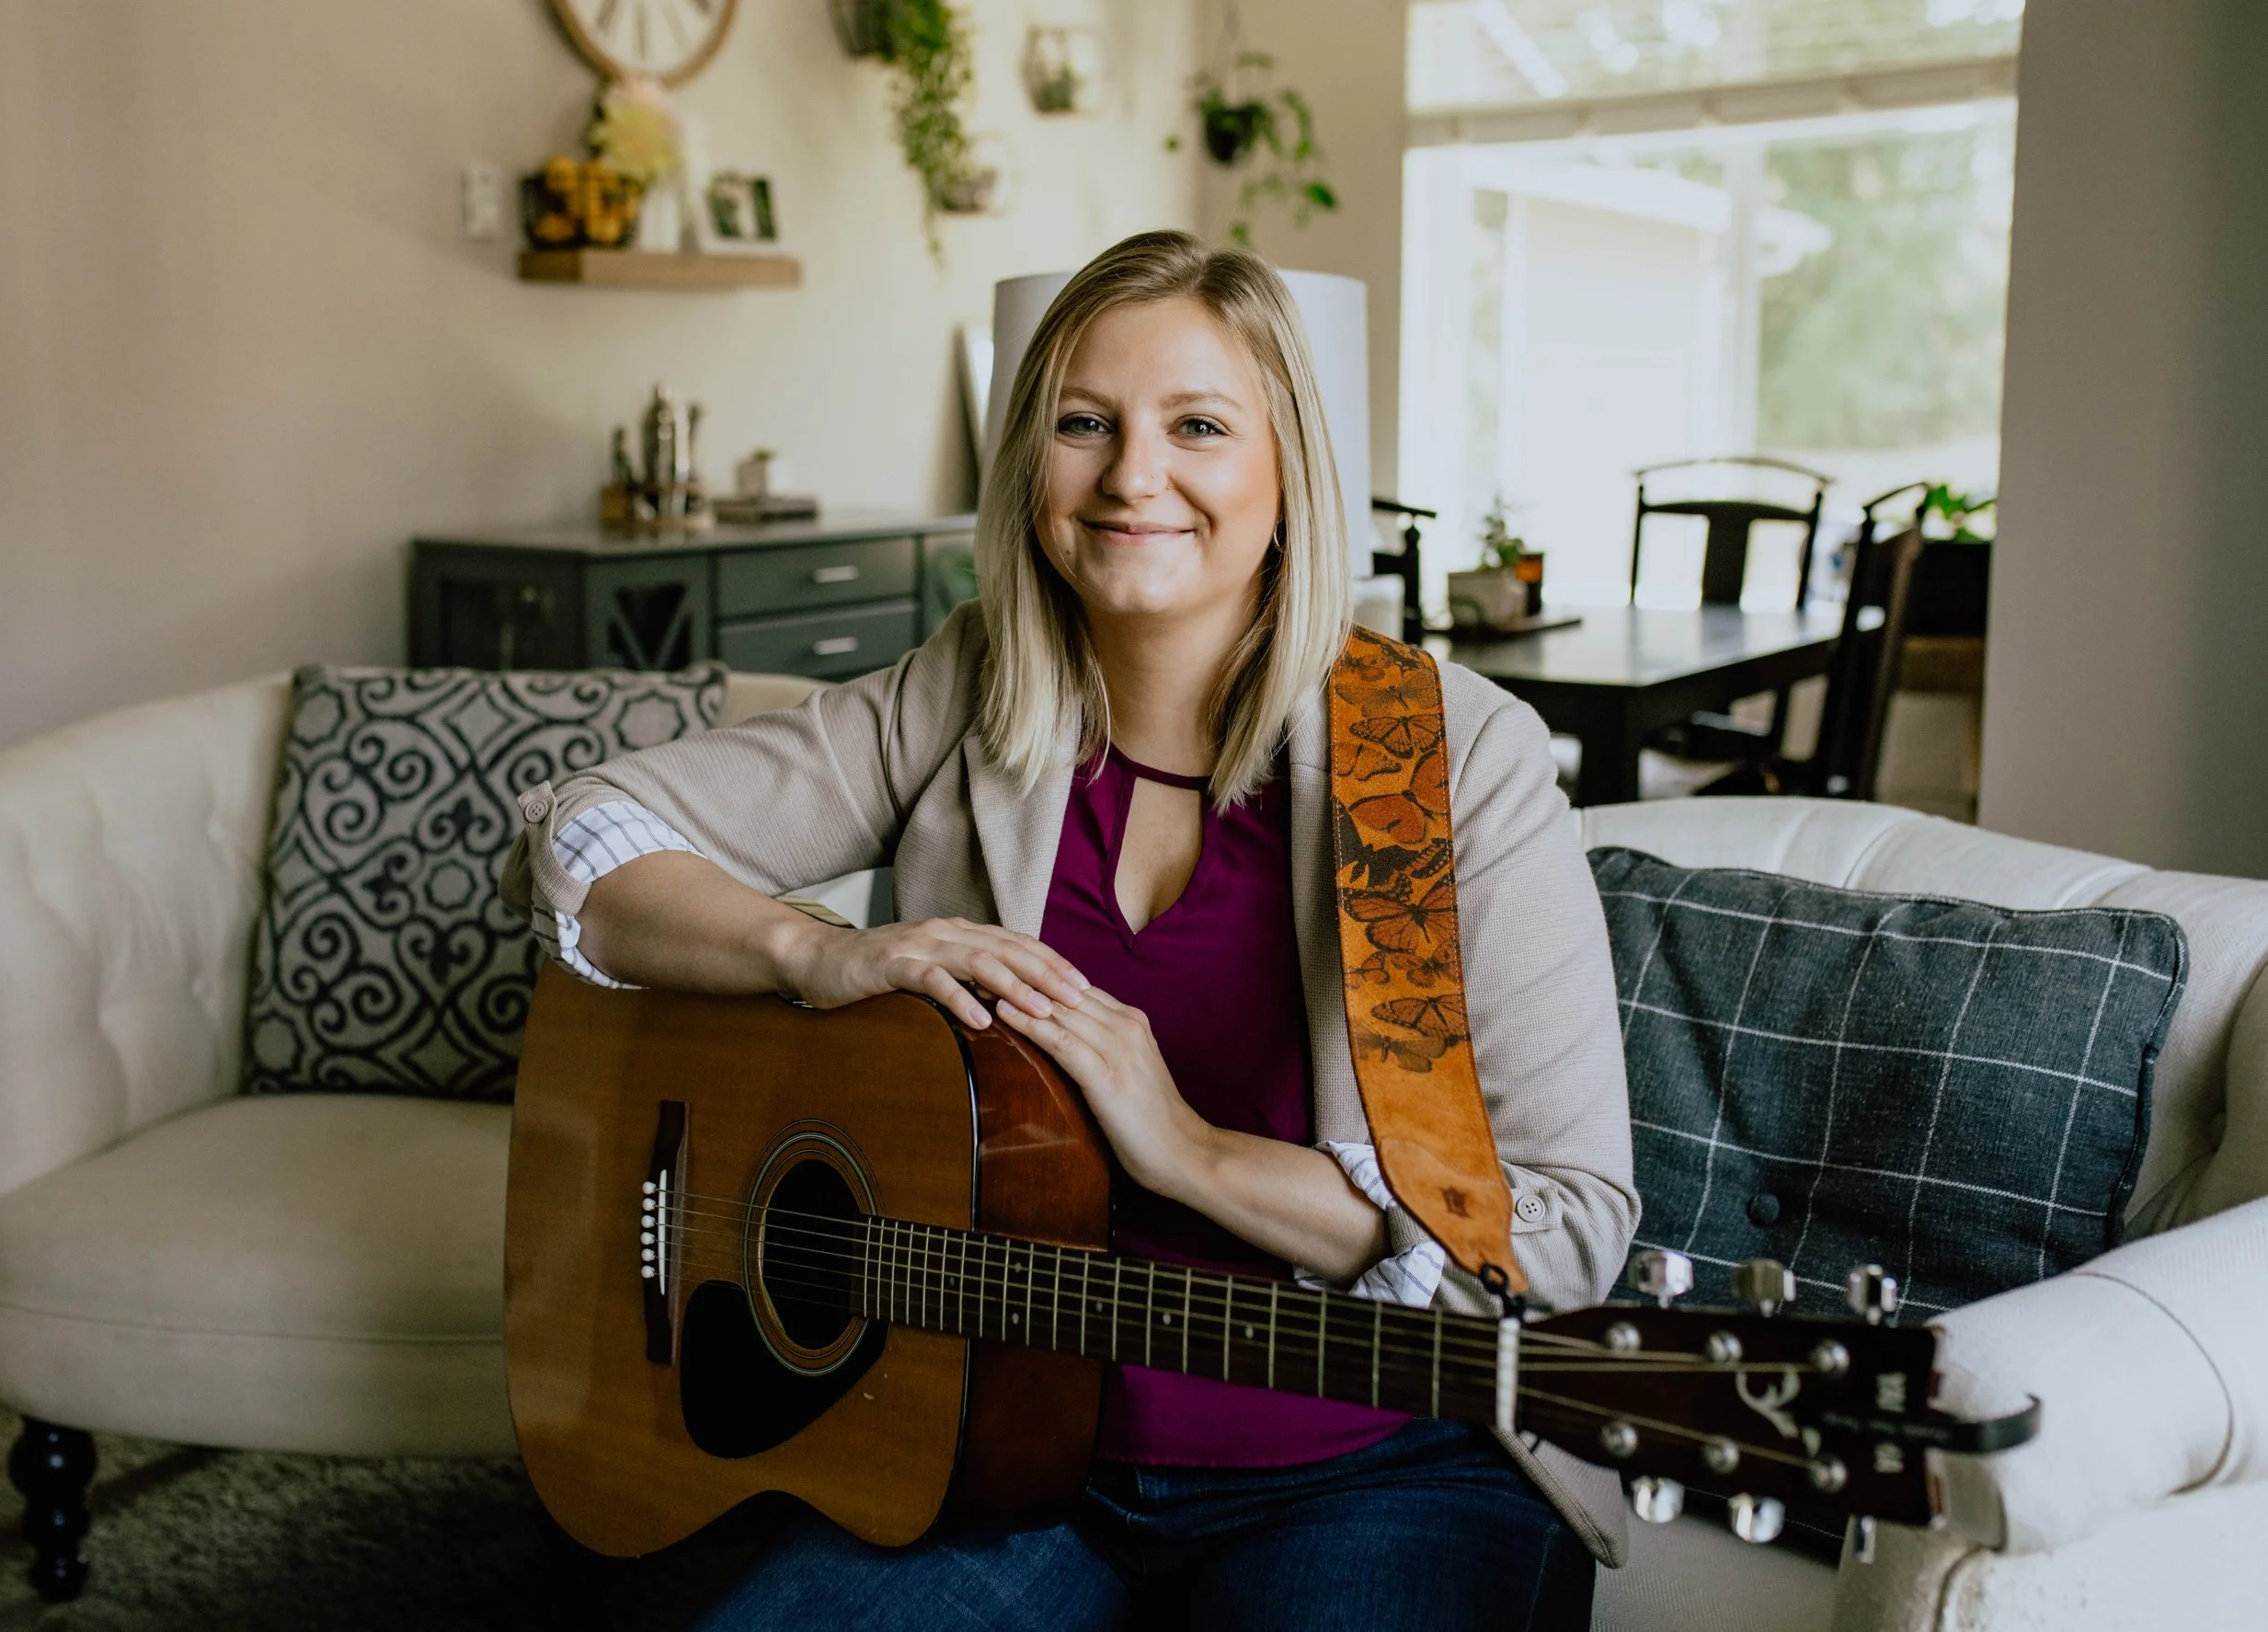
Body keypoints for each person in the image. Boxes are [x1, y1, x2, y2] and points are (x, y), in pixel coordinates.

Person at [502, 230, 1636, 1632]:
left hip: (1382, 1462)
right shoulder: (966, 691)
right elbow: (587, 832)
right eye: (1081, 424)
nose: (1130, 476)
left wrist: (1193, 1151)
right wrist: (821, 954)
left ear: (1291, 471)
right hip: (996, 1455)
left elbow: (1565, 1232)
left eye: (1199, 427)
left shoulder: (1438, 757)